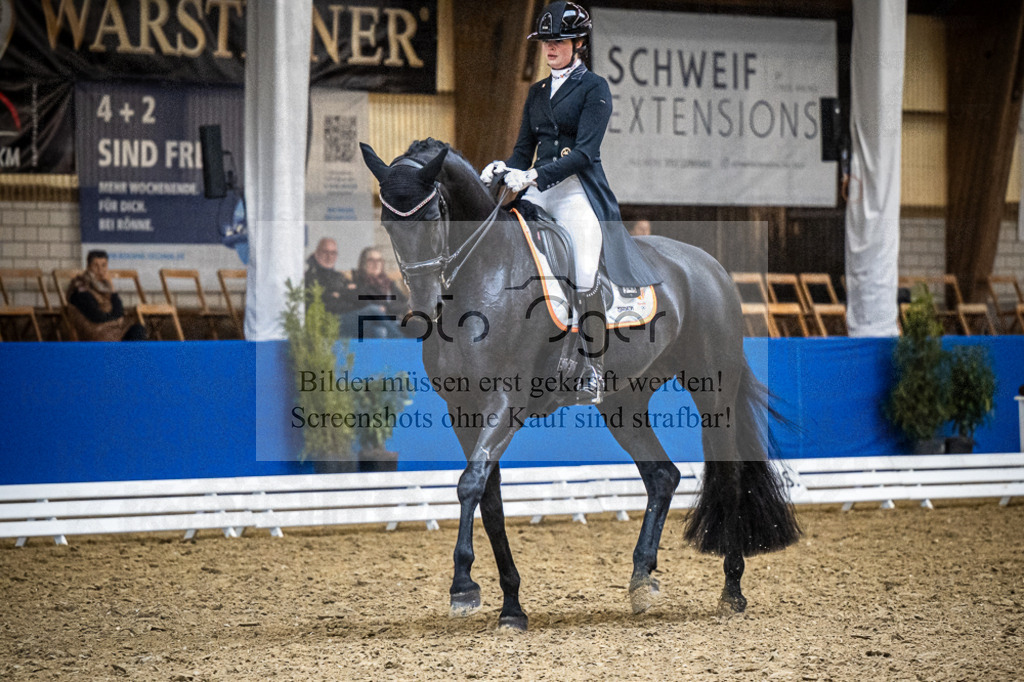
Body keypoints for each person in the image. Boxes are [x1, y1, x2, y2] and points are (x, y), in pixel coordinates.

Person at [479, 1, 658, 404]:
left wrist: (534, 176)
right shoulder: (537, 92)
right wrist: (504, 168)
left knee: (583, 270)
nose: (550, 48)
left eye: (558, 41)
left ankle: (593, 368)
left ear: (578, 43)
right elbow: (523, 150)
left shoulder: (595, 88)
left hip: (577, 192)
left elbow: (585, 153)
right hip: (538, 192)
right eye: (546, 42)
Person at [66, 250, 146, 341]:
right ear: (88, 267)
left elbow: (120, 311)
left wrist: (112, 287)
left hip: (112, 331)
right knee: (134, 336)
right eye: (95, 266)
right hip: (96, 333)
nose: (100, 270)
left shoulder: (105, 286)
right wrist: (116, 317)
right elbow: (97, 316)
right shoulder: (80, 286)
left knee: (138, 330)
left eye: (103, 265)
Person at [339, 247, 409, 339]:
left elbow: (405, 303)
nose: (376, 264)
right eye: (371, 260)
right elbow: (370, 304)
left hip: (394, 320)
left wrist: (389, 308)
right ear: (364, 263)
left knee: (415, 326)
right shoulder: (359, 281)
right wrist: (392, 307)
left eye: (379, 260)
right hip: (371, 323)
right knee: (380, 331)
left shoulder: (388, 283)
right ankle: (402, 340)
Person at [304, 238, 352, 318]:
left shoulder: (340, 277)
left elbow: (353, 297)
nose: (329, 257)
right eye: (325, 252)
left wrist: (339, 295)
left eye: (333, 253)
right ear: (317, 253)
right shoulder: (309, 277)